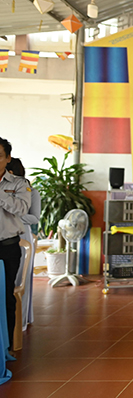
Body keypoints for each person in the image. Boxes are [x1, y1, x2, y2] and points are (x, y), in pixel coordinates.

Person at [0, 138, 31, 349]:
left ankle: (7, 345)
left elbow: (21, 209)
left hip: (7, 247)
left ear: (8, 158)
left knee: (5, 295)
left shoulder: (19, 184)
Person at [6, 157, 40, 330]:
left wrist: (15, 215)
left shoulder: (31, 192)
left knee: (21, 279)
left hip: (22, 234)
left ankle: (21, 322)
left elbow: (34, 218)